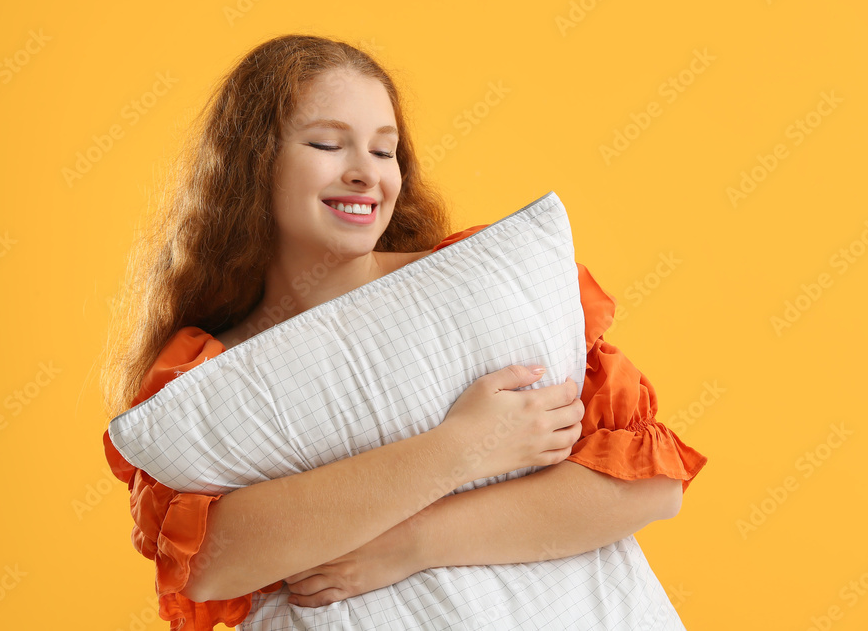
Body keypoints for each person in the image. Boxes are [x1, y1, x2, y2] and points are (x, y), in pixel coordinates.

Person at [100, 33, 708, 629]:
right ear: (253, 164)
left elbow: (650, 488)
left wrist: (409, 544)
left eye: (385, 151)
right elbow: (208, 566)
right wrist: (459, 448)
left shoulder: (481, 288)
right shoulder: (208, 374)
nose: (366, 173)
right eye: (327, 144)